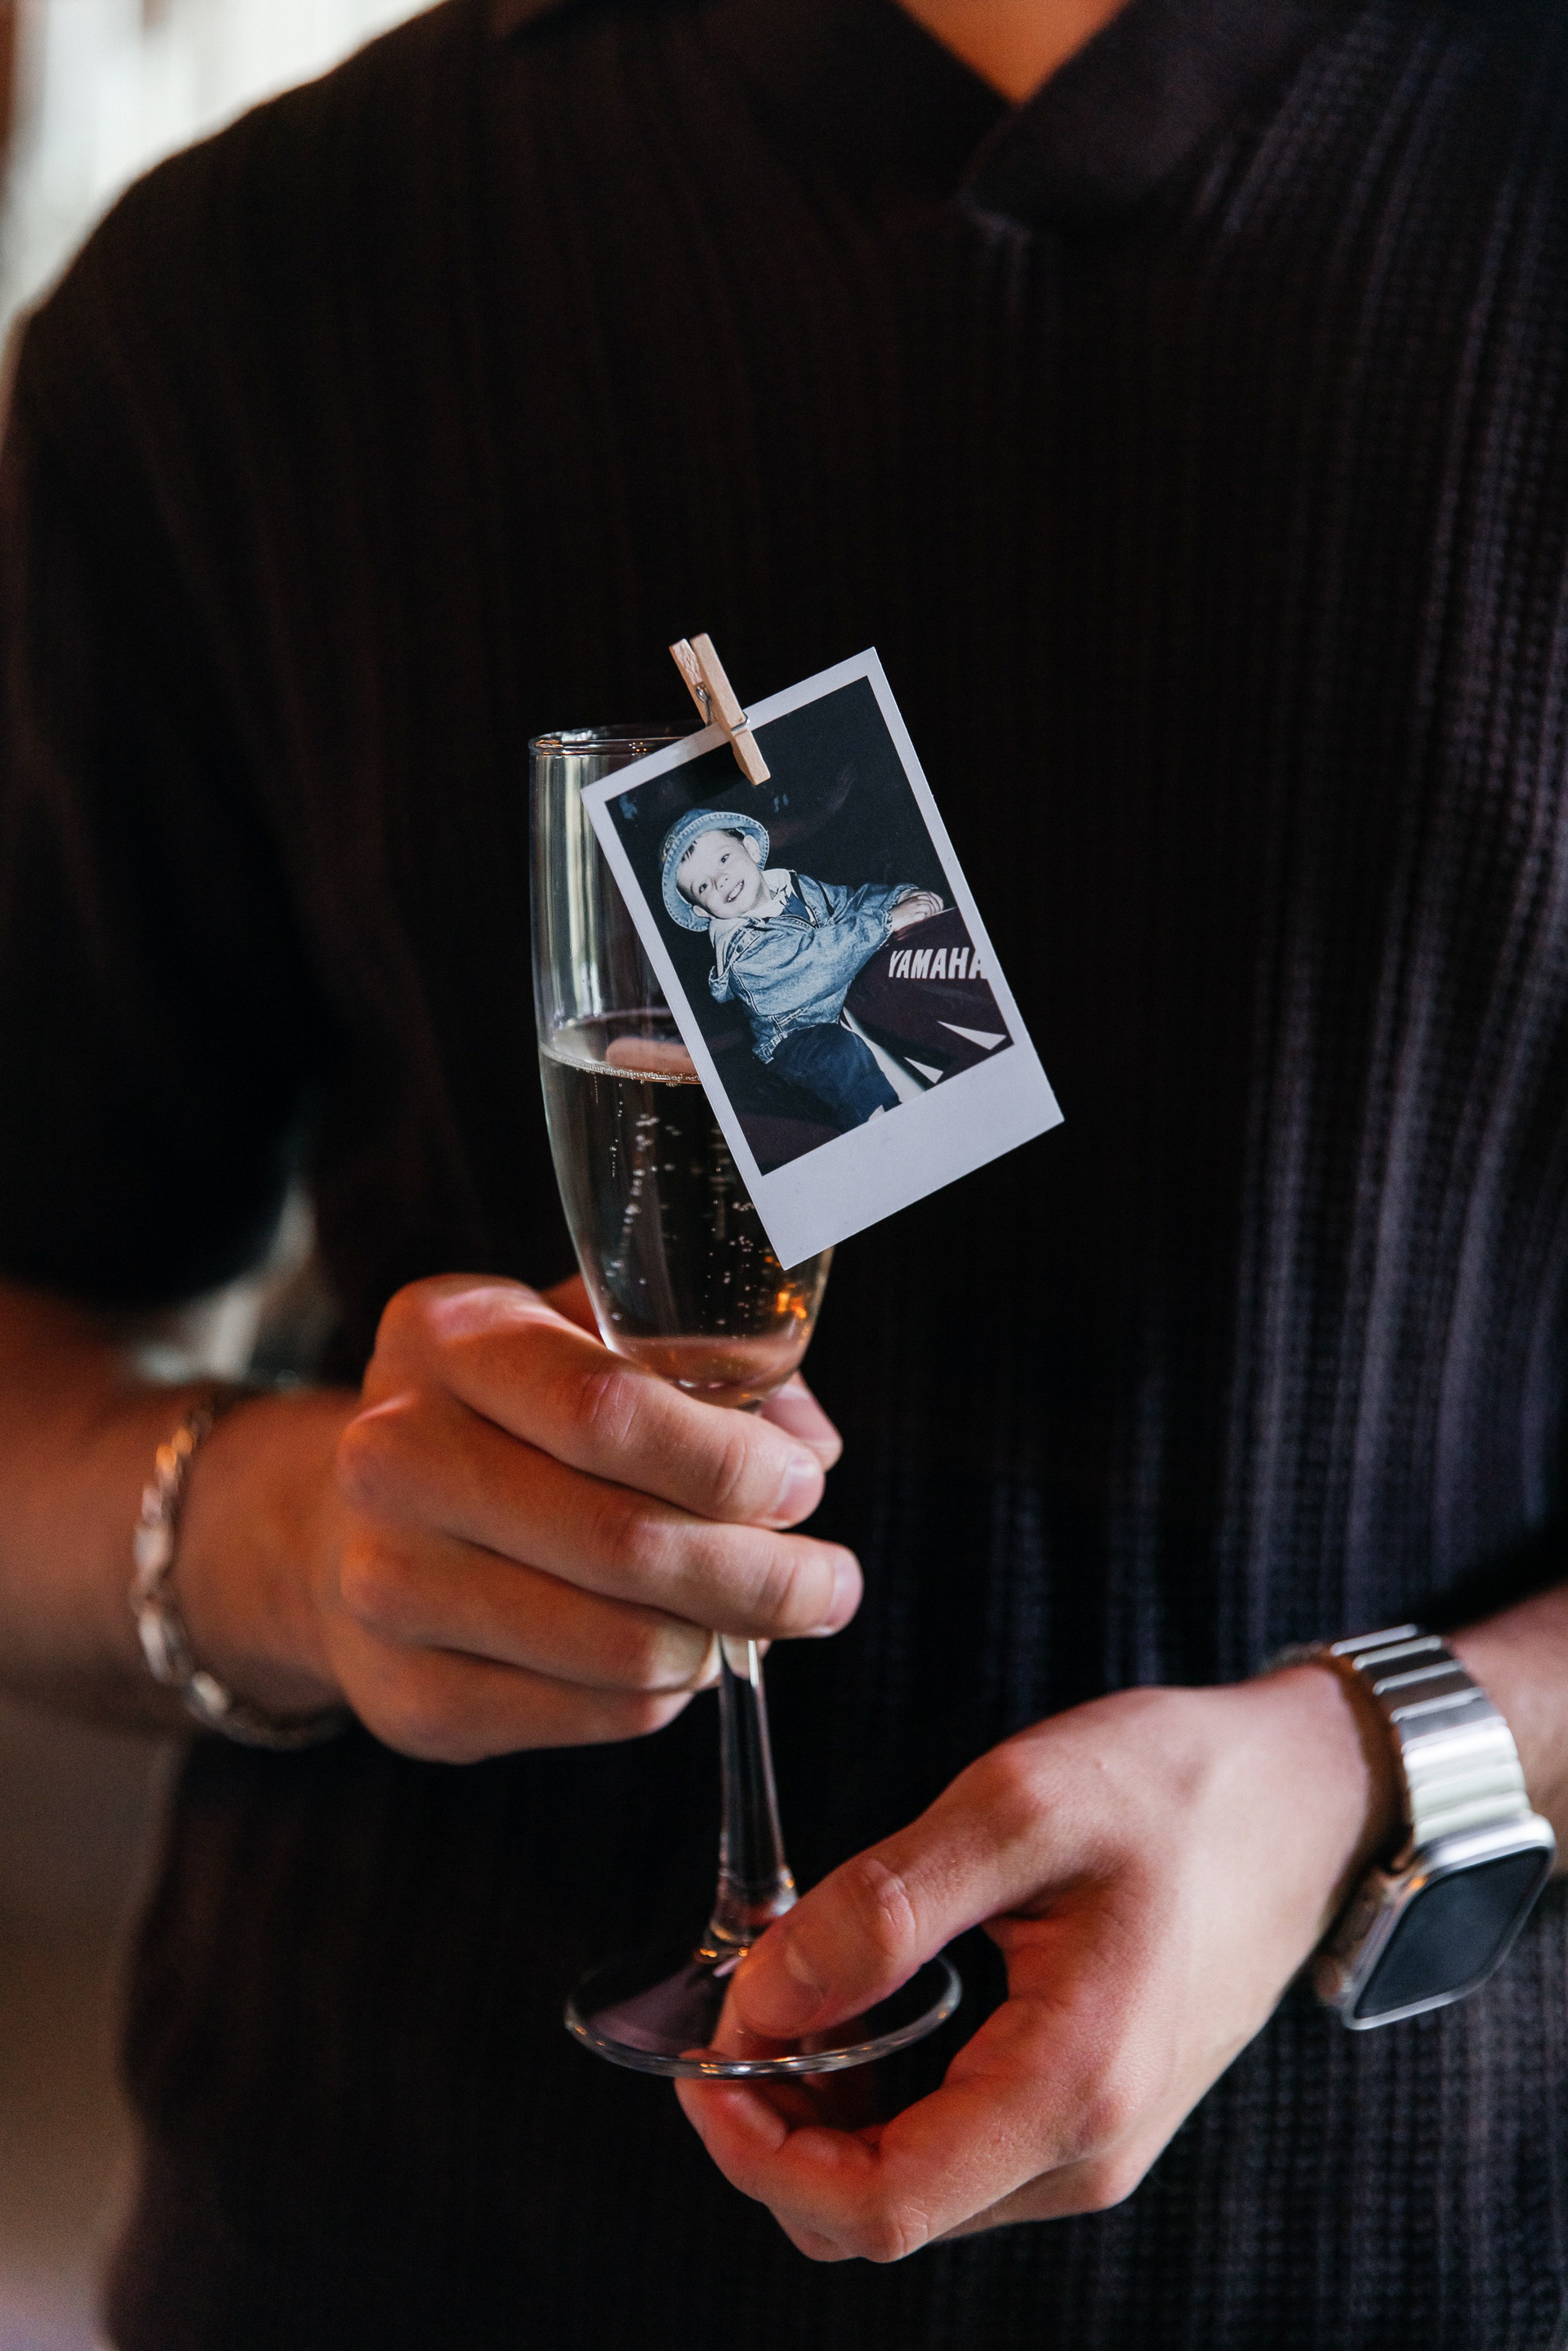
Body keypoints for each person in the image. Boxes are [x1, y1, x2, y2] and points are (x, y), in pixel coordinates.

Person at [2, 0, 1568, 2343]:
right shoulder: (249, 287)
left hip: (1420, 2251)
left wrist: (1368, 1761)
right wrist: (289, 1541)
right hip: (414, 2239)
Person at [660, 809, 942, 1129]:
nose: (719, 880)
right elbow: (817, 961)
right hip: (797, 1036)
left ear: (751, 849)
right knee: (840, 1056)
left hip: (846, 999)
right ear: (702, 911)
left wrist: (899, 898)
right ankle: (882, 1124)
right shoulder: (743, 955)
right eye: (703, 887)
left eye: (723, 859)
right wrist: (887, 921)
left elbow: (849, 904)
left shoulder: (795, 887)